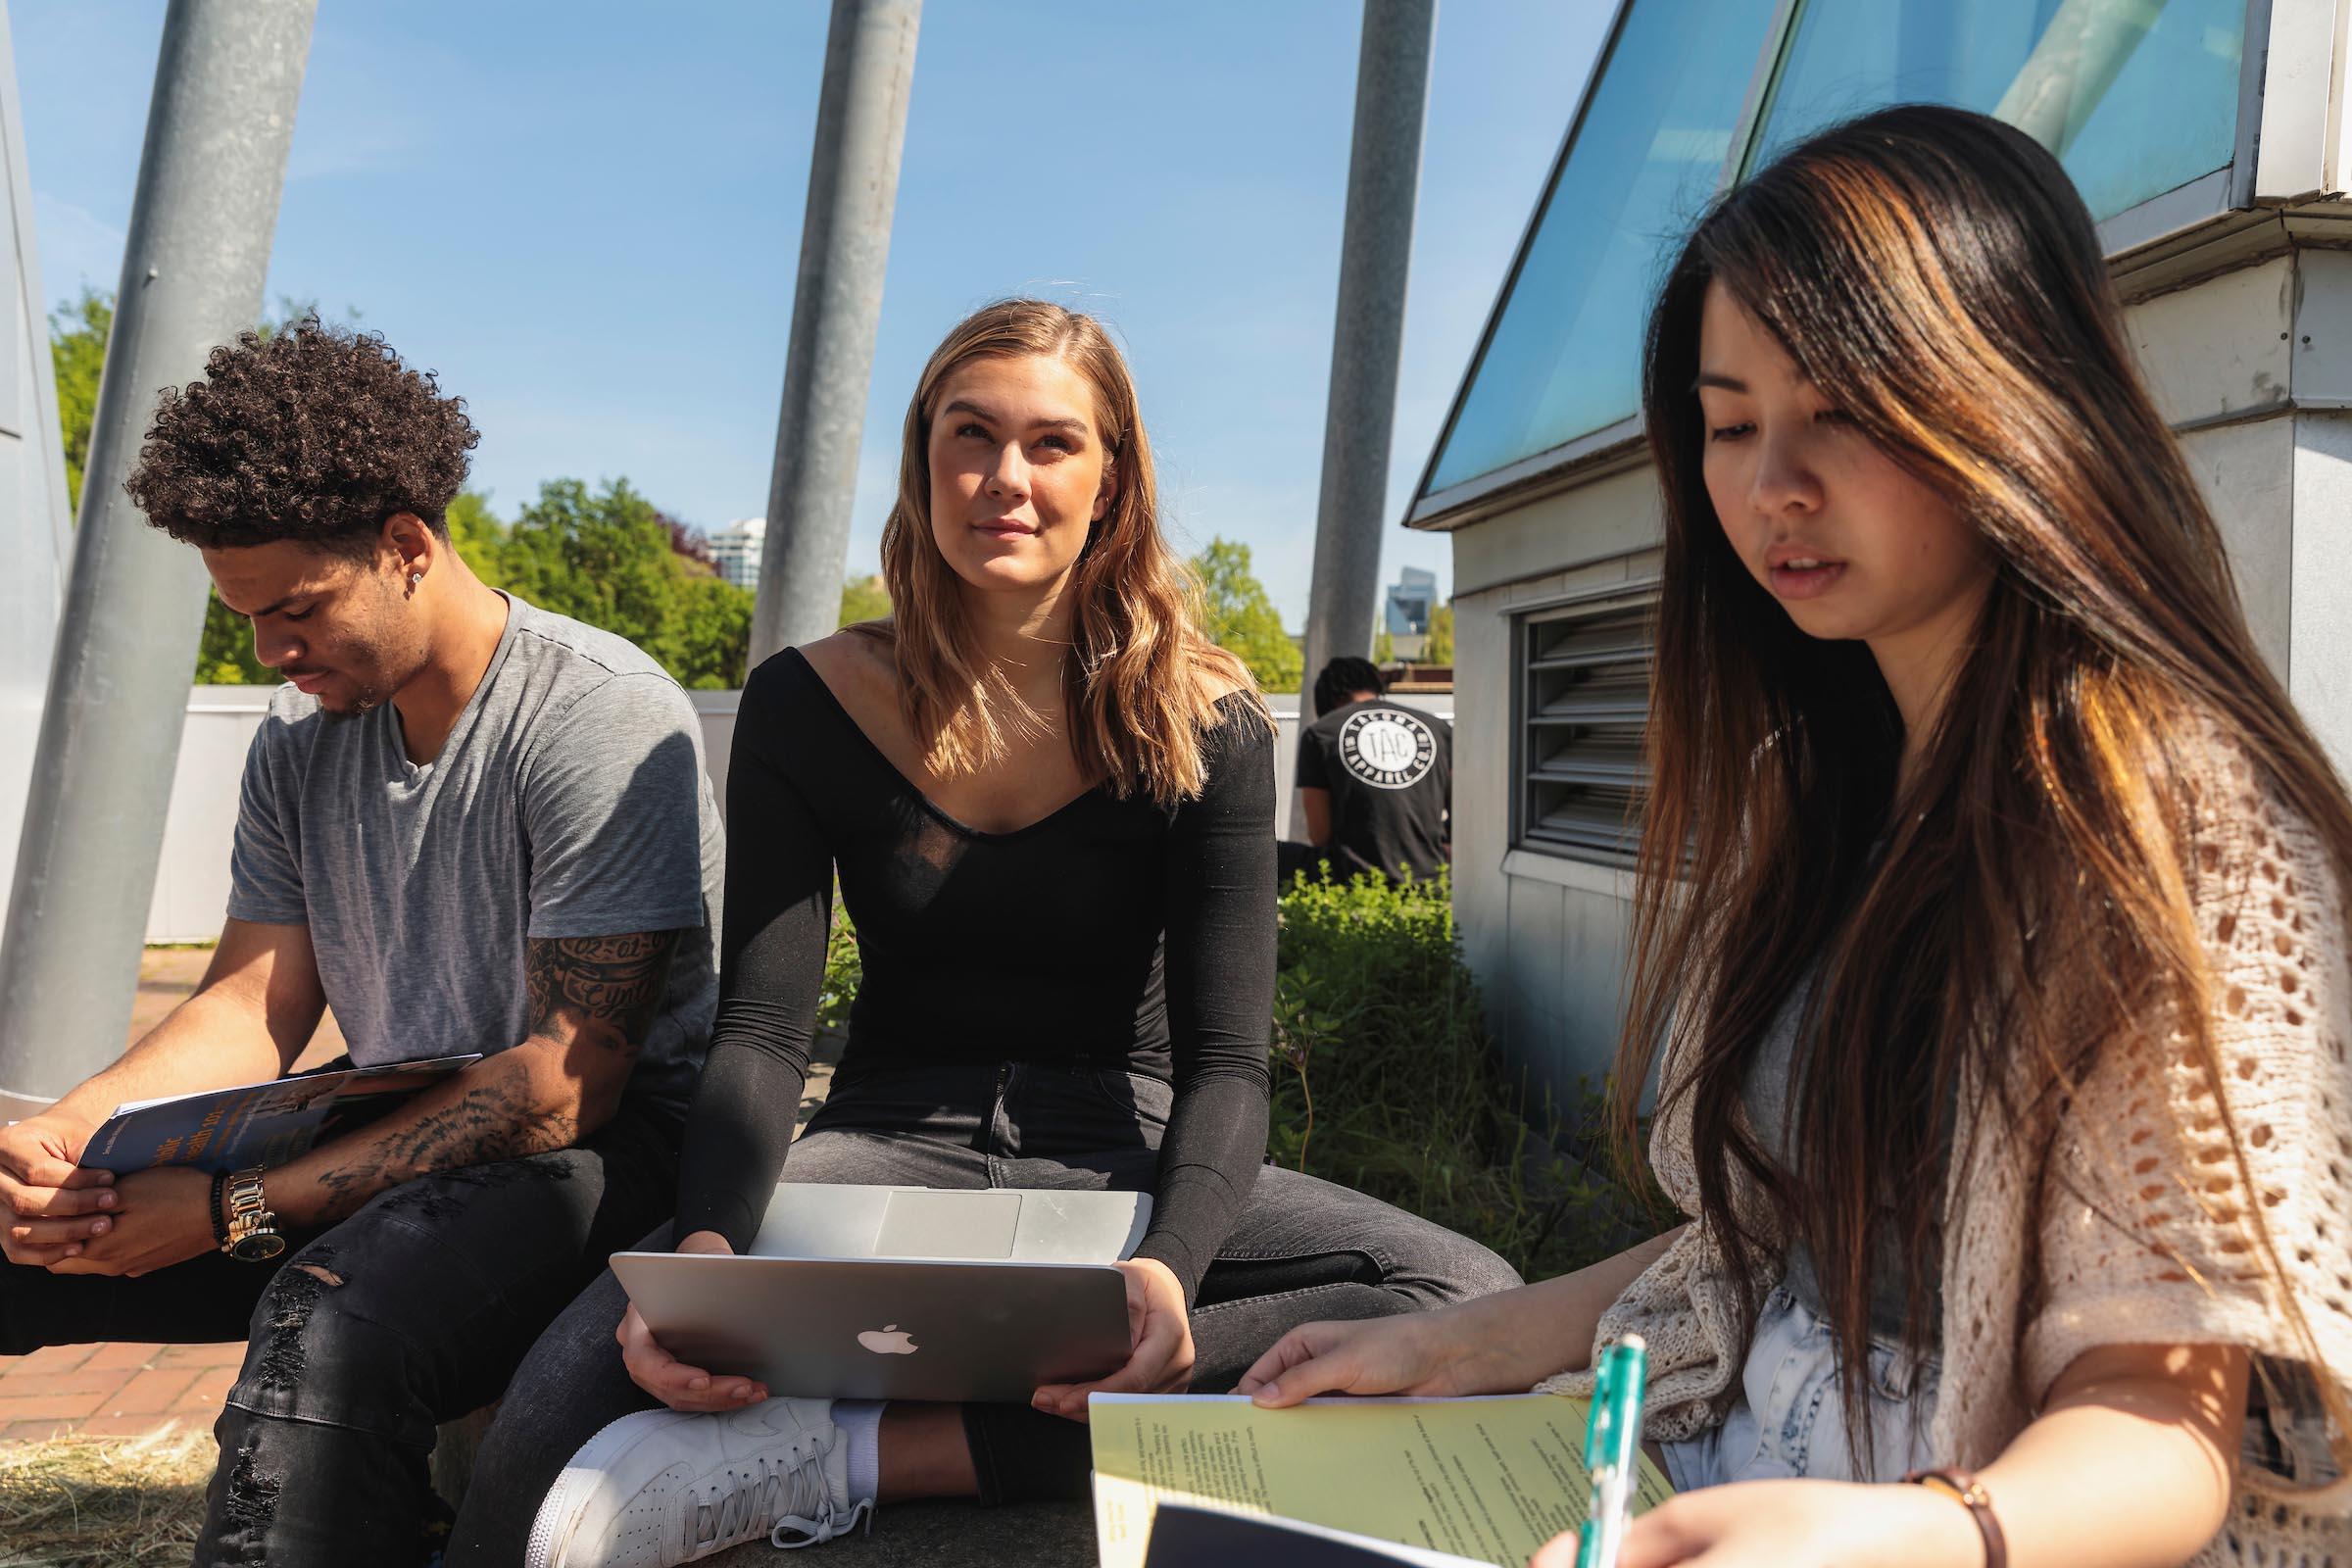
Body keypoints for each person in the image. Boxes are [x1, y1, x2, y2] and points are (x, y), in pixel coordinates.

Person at [1238, 106, 2352, 1568]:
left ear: (2010, 395)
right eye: (1730, 423)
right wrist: (1459, 1347)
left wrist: (1919, 1539)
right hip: (1672, 1489)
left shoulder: (2177, 829)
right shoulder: (1823, 785)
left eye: (1839, 409)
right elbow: (1791, 1242)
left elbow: (2167, 1409)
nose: (1773, 487)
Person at [448, 300, 1521, 1567]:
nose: (1005, 479)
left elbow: (1228, 1063)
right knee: (582, 1373)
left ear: (1112, 479)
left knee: (1467, 1301)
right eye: (972, 435)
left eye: (1052, 444)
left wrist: (1171, 1276)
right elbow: (761, 1032)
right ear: (923, 457)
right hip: (892, 1145)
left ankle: (852, 1455)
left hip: (1123, 1150)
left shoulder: (1208, 718)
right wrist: (714, 1258)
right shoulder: (810, 700)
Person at [0, 320, 725, 1566]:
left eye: (294, 610)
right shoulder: (299, 746)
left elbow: (567, 1081)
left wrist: (227, 1211)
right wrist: (68, 1139)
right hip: (386, 1124)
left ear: (404, 547)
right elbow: (251, 1000)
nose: (269, 652)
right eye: (246, 617)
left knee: (327, 1324)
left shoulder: (595, 713)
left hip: (608, 1162)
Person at [1285, 655, 1451, 885]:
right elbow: (1462, 812)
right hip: (1428, 876)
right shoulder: (1437, 728)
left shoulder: (1321, 733)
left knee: (1268, 855)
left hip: (1351, 877)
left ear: (1328, 700)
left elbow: (1320, 834)